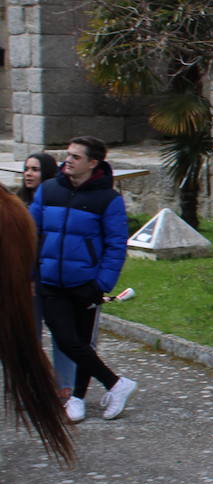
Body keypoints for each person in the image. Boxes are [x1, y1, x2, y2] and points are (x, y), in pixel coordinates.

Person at [29, 136, 137, 422]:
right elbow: (31, 233)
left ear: (93, 163)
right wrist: (32, 272)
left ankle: (77, 399)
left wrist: (101, 284)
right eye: (68, 155)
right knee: (66, 340)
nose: (68, 161)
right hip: (51, 281)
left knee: (83, 342)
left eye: (76, 157)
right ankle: (117, 384)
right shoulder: (49, 190)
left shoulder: (107, 199)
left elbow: (116, 245)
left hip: (85, 283)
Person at [21, 152, 80, 414]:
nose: (28, 173)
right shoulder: (17, 204)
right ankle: (32, 387)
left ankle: (65, 387)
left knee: (63, 335)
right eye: (26, 169)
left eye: (34, 169)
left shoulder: (57, 200)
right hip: (26, 284)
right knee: (28, 337)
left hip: (54, 279)